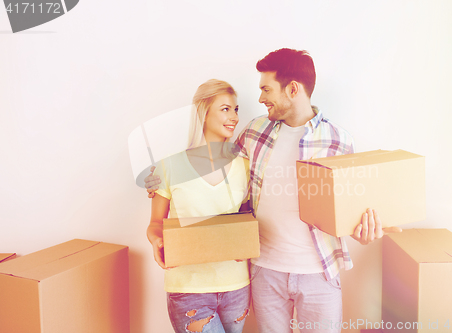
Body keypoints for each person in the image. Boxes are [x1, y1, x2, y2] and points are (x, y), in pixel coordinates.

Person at [146, 49, 401, 333]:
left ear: (292, 89)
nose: (260, 98)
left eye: (266, 89)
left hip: (319, 273)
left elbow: (351, 210)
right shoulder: (255, 132)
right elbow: (214, 164)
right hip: (264, 272)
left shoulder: (339, 142)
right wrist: (161, 177)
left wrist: (364, 231)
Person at [147, 79, 251, 333]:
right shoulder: (169, 166)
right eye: (225, 109)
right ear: (203, 113)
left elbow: (249, 219)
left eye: (236, 110)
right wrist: (157, 241)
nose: (234, 117)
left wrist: (247, 243)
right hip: (188, 290)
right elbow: (155, 224)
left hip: (236, 286)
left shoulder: (245, 166)